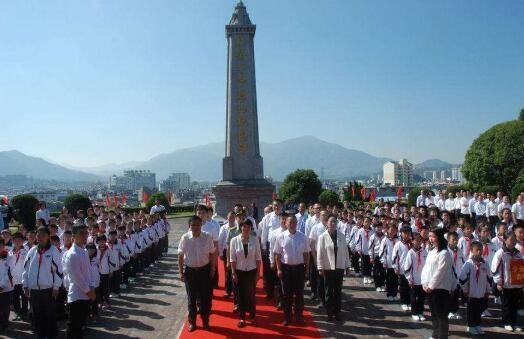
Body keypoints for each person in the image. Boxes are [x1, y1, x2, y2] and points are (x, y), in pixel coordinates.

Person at [22, 226, 63, 339]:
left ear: (48, 236)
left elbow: (59, 271)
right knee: (36, 315)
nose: (40, 237)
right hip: (34, 290)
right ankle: (40, 335)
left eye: (43, 235)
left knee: (49, 315)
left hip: (48, 290)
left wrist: (56, 287)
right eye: (38, 235)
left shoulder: (53, 251)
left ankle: (51, 335)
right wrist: (25, 285)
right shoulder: (32, 251)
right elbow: (26, 269)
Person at [178, 215, 216, 332]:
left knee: (205, 299)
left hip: (204, 271)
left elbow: (212, 253)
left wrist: (212, 269)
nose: (195, 227)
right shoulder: (185, 238)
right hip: (190, 272)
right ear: (189, 226)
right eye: (193, 225)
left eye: (198, 225)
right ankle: (192, 322)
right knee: (191, 299)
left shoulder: (207, 237)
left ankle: (205, 321)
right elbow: (180, 255)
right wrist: (180, 272)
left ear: (201, 225)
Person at [274, 215, 310, 326]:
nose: (292, 224)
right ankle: (287, 317)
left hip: (299, 268)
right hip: (286, 269)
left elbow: (306, 254)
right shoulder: (281, 237)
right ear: (286, 223)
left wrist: (307, 269)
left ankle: (299, 317)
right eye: (290, 222)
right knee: (286, 295)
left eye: (294, 222)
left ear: (297, 223)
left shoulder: (303, 237)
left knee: (299, 294)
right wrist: (279, 269)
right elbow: (278, 255)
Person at [62, 223, 96, 339]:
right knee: (73, 327)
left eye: (86, 233)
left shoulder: (84, 251)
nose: (85, 236)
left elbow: (89, 271)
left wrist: (91, 287)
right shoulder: (72, 254)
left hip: (85, 294)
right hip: (77, 296)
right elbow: (77, 277)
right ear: (74, 236)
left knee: (80, 325)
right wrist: (89, 291)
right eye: (81, 233)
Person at [422, 227, 455, 339]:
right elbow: (426, 269)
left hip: (440, 289)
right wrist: (424, 283)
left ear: (439, 238)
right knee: (434, 314)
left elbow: (440, 272)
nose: (430, 239)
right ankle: (435, 334)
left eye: (433, 236)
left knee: (441, 315)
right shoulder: (432, 251)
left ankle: (442, 336)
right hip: (430, 288)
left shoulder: (444, 253)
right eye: (429, 236)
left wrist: (431, 286)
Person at [316, 215, 350, 321]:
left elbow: (345, 252)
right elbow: (319, 253)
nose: (332, 224)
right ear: (327, 223)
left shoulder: (341, 236)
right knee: (328, 291)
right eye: (330, 222)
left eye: (334, 222)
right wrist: (320, 267)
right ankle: (329, 312)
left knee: (338, 291)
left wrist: (347, 266)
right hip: (327, 267)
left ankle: (337, 312)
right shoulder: (322, 237)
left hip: (339, 267)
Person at [230, 219, 261, 328]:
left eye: (248, 227)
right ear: (240, 228)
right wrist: (233, 273)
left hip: (252, 271)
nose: (246, 229)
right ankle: (242, 318)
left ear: (251, 228)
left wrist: (258, 272)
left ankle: (252, 316)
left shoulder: (255, 239)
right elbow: (232, 258)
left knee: (251, 295)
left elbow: (258, 257)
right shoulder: (234, 240)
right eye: (244, 227)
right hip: (239, 271)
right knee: (241, 295)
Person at [491, 231, 523, 332]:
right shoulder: (500, 253)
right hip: (505, 284)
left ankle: (514, 322)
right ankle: (506, 322)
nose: (513, 242)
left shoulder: (518, 253)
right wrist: (498, 282)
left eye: (514, 240)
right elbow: (495, 269)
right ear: (505, 240)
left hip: (516, 284)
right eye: (511, 240)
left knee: (515, 305)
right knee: (506, 305)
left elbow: (521, 268)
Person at [458, 241, 491, 335]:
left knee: (479, 310)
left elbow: (489, 278)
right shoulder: (468, 264)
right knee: (471, 310)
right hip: (471, 293)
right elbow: (462, 278)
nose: (479, 251)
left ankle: (477, 325)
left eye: (481, 249)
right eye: (477, 250)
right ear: (472, 251)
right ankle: (471, 326)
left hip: (481, 292)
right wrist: (465, 290)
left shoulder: (485, 263)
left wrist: (488, 290)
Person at [404, 233, 427, 321]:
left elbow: (427, 265)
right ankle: (414, 313)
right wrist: (409, 279)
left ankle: (420, 312)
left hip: (423, 280)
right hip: (414, 280)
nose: (418, 242)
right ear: (413, 241)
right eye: (416, 240)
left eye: (420, 240)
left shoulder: (424, 252)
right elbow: (407, 267)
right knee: (413, 298)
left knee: (422, 298)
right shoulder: (410, 253)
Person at [9, 232, 28, 321]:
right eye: (15, 240)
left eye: (19, 240)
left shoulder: (26, 252)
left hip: (23, 280)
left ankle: (24, 312)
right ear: (12, 241)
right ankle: (17, 312)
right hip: (13, 280)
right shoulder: (9, 253)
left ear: (22, 241)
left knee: (24, 297)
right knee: (15, 298)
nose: (17, 242)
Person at [0, 238, 13, 332]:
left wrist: (1, 285)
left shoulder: (9, 257)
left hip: (5, 288)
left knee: (5, 308)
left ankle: (4, 325)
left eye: (0, 245)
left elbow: (9, 273)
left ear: (4, 246)